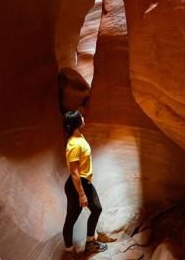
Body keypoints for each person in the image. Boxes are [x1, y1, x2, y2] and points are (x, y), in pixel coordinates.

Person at [62, 110, 108, 259]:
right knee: (71, 219)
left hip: (84, 182)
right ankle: (69, 251)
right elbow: (74, 173)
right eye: (80, 116)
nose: (83, 117)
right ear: (77, 122)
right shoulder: (74, 145)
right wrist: (81, 194)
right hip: (77, 185)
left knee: (96, 209)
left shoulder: (78, 136)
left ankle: (90, 242)